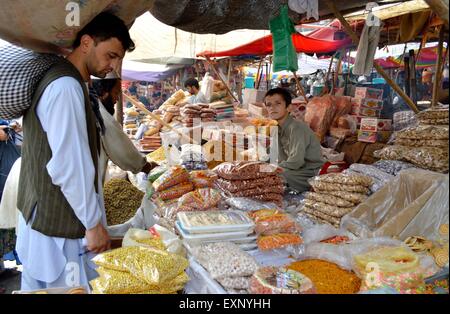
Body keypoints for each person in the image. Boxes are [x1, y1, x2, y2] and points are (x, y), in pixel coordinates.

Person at [16, 12, 135, 290]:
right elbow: (70, 165)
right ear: (86, 42)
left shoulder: (68, 82)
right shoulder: (66, 87)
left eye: (118, 59)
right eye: (111, 55)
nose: (113, 66)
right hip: (58, 229)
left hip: (46, 222)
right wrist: (93, 224)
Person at [91, 74, 157, 183]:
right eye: (116, 93)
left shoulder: (94, 106)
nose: (117, 98)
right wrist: (145, 166)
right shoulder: (101, 115)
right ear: (104, 92)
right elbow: (123, 151)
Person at [264, 88, 324, 192]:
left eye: (277, 103)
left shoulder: (296, 128)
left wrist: (270, 169)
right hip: (292, 169)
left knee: (279, 175)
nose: (272, 108)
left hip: (309, 171)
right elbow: (272, 155)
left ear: (288, 107)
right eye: (269, 105)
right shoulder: (276, 129)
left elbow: (296, 162)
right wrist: (257, 165)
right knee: (260, 172)